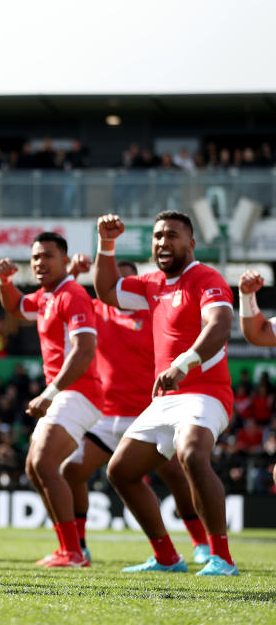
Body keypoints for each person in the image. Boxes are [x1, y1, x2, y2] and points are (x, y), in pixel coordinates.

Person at [94, 211, 237, 576]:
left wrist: (185, 363)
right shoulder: (152, 283)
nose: (162, 242)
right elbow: (107, 291)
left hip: (205, 392)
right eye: (157, 236)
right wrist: (106, 244)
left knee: (191, 454)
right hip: (165, 399)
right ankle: (167, 557)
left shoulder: (207, 278)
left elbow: (220, 325)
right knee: (121, 471)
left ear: (191, 243)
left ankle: (221, 557)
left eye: (172, 235)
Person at [62, 254, 210, 564]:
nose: (121, 288)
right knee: (71, 471)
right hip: (105, 417)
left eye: (126, 282)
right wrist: (73, 274)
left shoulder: (158, 314)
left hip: (148, 413)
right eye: (115, 283)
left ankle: (201, 543)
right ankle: (79, 546)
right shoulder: (96, 310)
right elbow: (67, 305)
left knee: (176, 475)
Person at [0, 231, 101, 568]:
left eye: (48, 256)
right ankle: (68, 549)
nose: (40, 263)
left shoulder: (73, 294)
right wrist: (4, 280)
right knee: (33, 466)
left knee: (43, 463)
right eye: (36, 257)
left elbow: (84, 351)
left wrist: (49, 393)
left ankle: (73, 552)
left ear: (65, 261)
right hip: (64, 393)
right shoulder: (45, 297)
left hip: (79, 392)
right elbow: (14, 306)